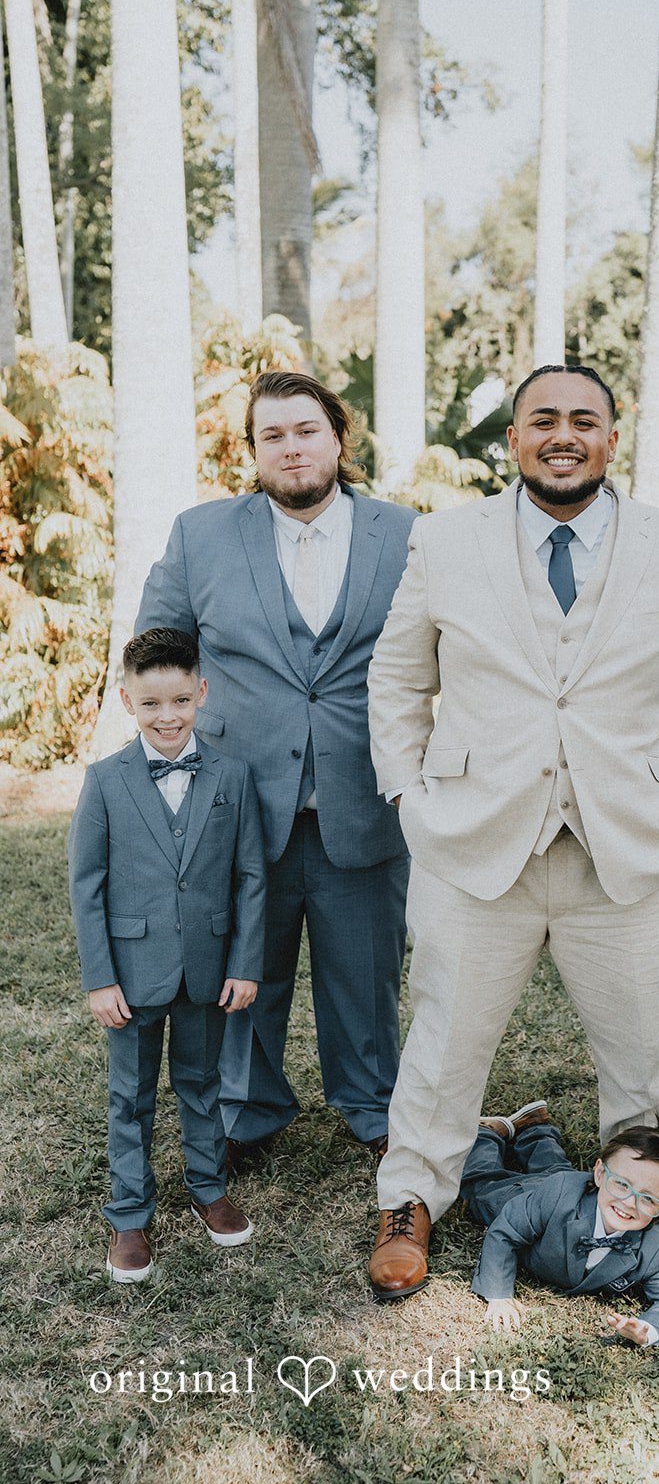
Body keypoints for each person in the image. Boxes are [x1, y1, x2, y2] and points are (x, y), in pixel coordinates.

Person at [366, 362, 659, 1298]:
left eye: (584, 420)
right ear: (513, 439)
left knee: (640, 1039)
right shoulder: (444, 541)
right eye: (543, 420)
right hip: (470, 838)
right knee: (446, 1035)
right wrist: (409, 796)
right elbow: (398, 680)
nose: (562, 435)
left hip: (622, 843)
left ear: (613, 438)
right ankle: (412, 1198)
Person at [137, 371, 416, 1162]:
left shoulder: (405, 534)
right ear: (253, 451)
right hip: (236, 797)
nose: (291, 448)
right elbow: (160, 647)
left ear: (338, 437)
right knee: (242, 970)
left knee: (364, 973)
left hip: (364, 794)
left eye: (305, 430)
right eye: (272, 436)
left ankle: (373, 1110)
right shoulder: (202, 535)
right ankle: (247, 1111)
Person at [68, 628, 266, 1281]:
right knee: (130, 1095)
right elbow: (87, 884)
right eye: (152, 703)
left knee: (202, 1082)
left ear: (201, 693)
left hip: (209, 966)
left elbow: (249, 877)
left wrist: (244, 961)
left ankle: (208, 1189)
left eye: (181, 700)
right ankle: (130, 1213)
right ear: (127, 700)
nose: (169, 716)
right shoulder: (104, 780)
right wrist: (100, 978)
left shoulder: (232, 776)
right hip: (129, 971)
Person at [461, 1104, 659, 1348]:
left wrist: (649, 1331)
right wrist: (498, 1295)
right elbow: (507, 1231)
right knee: (480, 1189)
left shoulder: (656, 1244)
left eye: (647, 1199)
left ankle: (535, 1129)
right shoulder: (558, 1194)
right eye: (622, 1184)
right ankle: (486, 1135)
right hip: (537, 1197)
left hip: (573, 1187)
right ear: (600, 1174)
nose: (629, 1203)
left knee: (557, 1171)